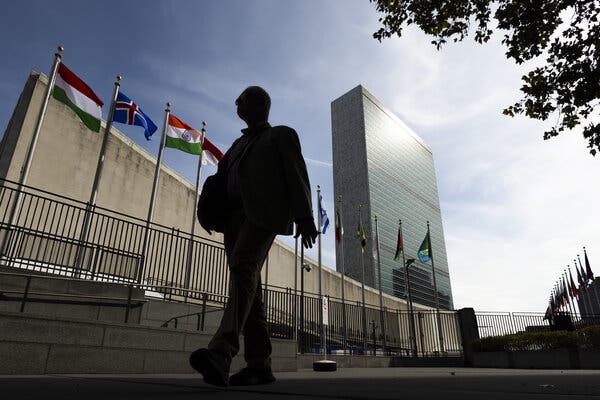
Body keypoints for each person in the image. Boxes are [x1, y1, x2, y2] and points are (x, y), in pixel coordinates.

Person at [190, 86, 318, 387]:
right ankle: (259, 365)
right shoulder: (236, 145)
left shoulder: (281, 135)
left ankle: (221, 352)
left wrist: (305, 215)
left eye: (244, 99)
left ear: (263, 104)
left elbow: (297, 174)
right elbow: (222, 179)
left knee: (243, 267)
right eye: (238, 101)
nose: (238, 104)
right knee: (248, 287)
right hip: (232, 218)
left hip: (263, 214)